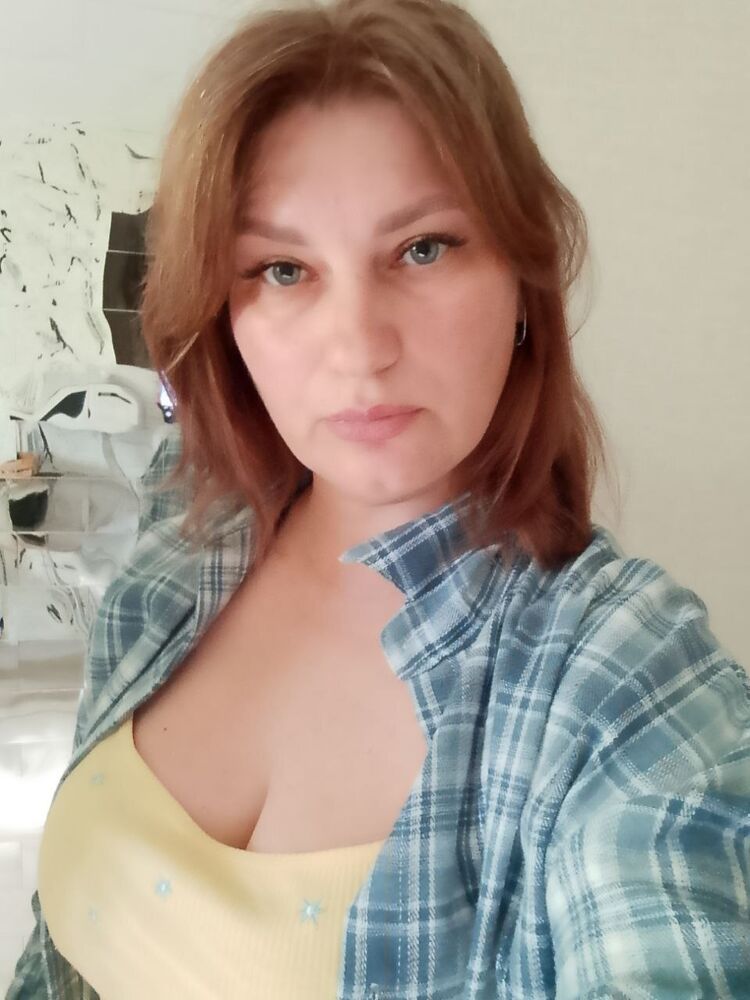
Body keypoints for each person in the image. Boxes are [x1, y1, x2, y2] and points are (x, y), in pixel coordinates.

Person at [8, 0, 750, 997]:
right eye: (283, 269)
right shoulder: (189, 522)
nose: (359, 349)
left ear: (524, 281)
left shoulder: (623, 671)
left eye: (424, 248)